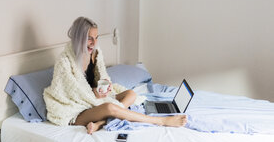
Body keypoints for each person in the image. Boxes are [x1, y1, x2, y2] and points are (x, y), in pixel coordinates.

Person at [43, 17, 187, 134]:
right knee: (109, 108)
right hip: (76, 109)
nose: (94, 43)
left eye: (96, 37)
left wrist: (105, 87)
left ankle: (101, 122)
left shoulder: (95, 54)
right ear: (79, 38)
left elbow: (104, 77)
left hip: (95, 100)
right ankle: (160, 121)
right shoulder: (64, 61)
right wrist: (95, 94)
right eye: (89, 38)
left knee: (131, 94)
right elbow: (71, 93)